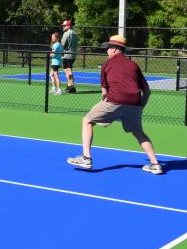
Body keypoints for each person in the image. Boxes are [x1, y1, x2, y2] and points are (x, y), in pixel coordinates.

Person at [66, 35, 162, 175]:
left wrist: (108, 107)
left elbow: (104, 92)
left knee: (87, 120)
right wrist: (141, 106)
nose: (107, 50)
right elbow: (147, 91)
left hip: (115, 100)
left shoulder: (106, 64)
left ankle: (86, 158)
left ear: (116, 49)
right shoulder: (134, 65)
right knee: (138, 132)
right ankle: (155, 164)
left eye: (109, 48)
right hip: (134, 103)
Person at [61, 20, 78, 93]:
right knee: (67, 69)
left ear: (68, 26)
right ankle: (69, 85)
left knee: (68, 70)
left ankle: (72, 86)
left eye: (64, 26)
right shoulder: (74, 33)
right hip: (73, 54)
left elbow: (63, 44)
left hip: (67, 54)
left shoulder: (66, 33)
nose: (63, 27)